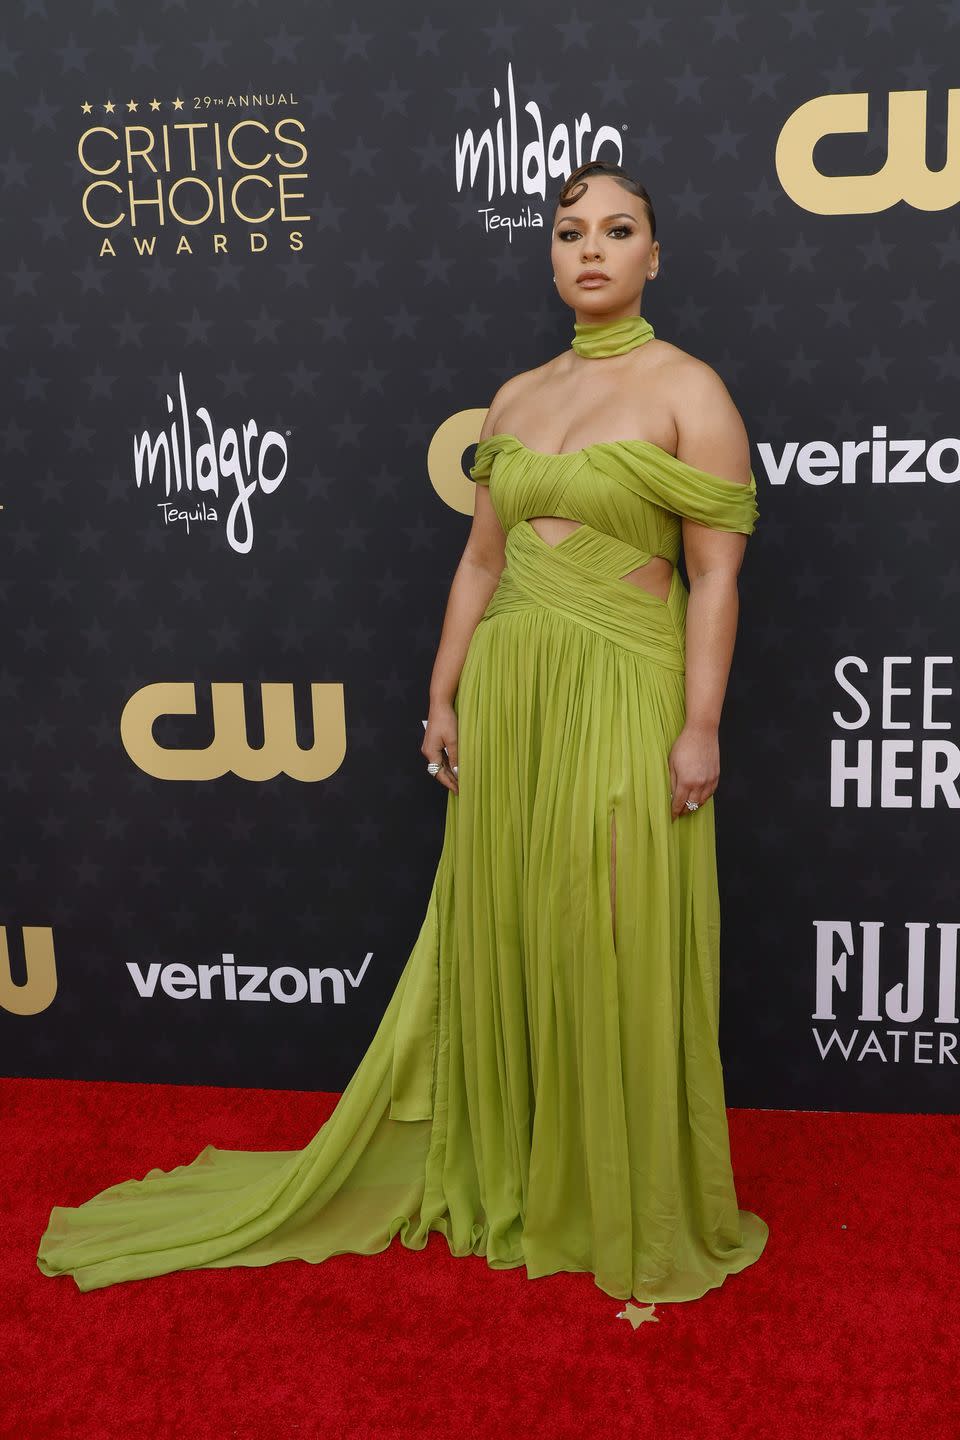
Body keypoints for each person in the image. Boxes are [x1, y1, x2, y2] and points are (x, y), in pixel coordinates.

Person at [36, 159, 768, 1309]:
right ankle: (527, 1169)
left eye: (618, 230)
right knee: (518, 921)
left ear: (653, 256)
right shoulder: (518, 395)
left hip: (626, 681)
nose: (592, 248)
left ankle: (625, 1194)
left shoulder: (694, 392)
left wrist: (700, 724)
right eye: (571, 230)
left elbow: (715, 580)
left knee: (614, 923)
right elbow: (480, 559)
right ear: (551, 254)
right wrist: (443, 694)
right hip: (512, 686)